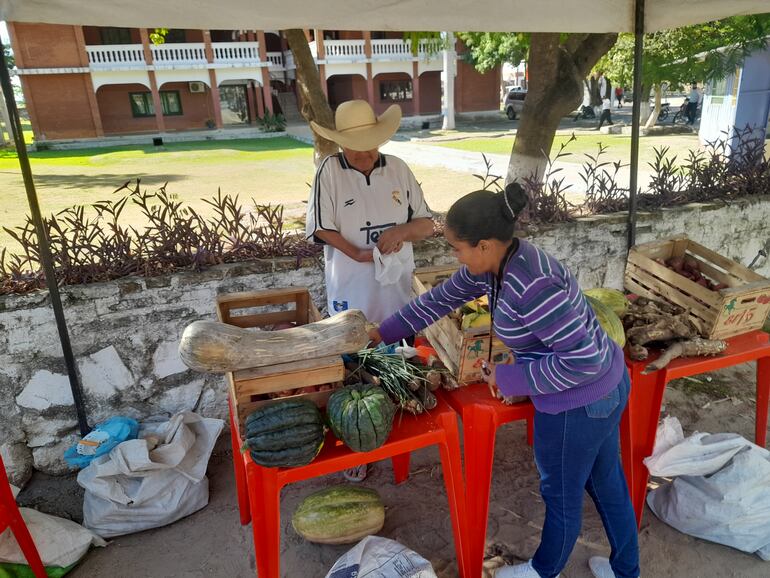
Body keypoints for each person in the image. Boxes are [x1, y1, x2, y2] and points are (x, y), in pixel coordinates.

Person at [369, 183, 640, 578]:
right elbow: (439, 299)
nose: (454, 256)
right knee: (605, 482)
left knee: (563, 497)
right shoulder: (496, 267)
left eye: (457, 248)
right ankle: (625, 571)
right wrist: (384, 332)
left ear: (483, 245)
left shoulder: (534, 285)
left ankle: (541, 572)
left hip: (580, 402)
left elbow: (583, 362)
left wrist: (511, 376)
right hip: (598, 390)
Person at [306, 99, 434, 481]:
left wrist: (400, 232)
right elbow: (320, 229)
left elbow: (426, 224)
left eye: (371, 146)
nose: (364, 155)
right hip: (351, 285)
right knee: (353, 366)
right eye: (356, 148)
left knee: (398, 363)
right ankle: (357, 444)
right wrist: (358, 253)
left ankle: (397, 435)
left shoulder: (398, 169)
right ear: (341, 144)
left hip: (395, 286)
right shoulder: (329, 170)